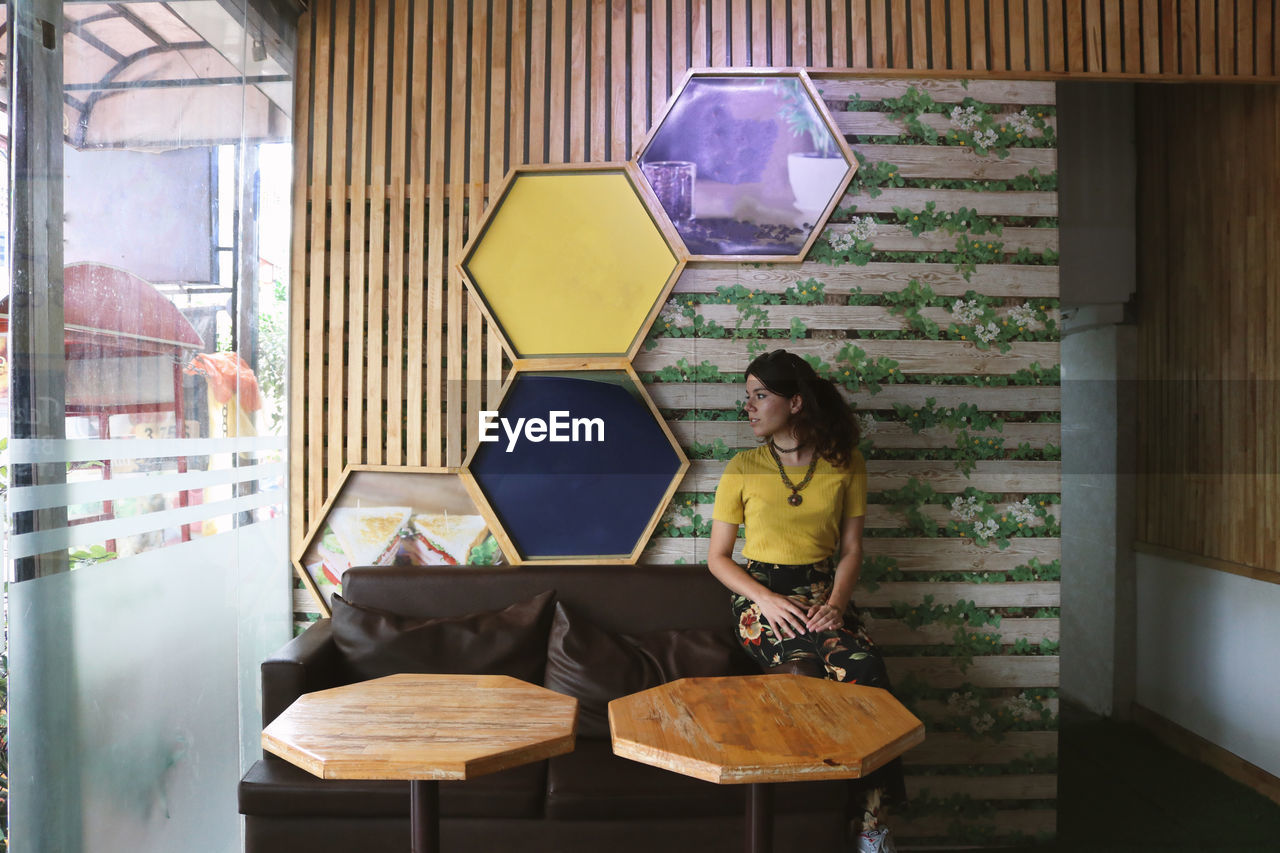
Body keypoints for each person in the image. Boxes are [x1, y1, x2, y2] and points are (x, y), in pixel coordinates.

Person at [707, 349, 904, 853]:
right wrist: (766, 601)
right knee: (804, 675)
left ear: (795, 402)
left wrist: (837, 604)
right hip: (761, 596)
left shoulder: (847, 463)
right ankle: (808, 826)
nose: (748, 407)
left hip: (821, 593)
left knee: (866, 672)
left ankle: (870, 827)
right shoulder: (742, 467)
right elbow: (719, 558)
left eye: (760, 396)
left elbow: (853, 549)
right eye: (747, 396)